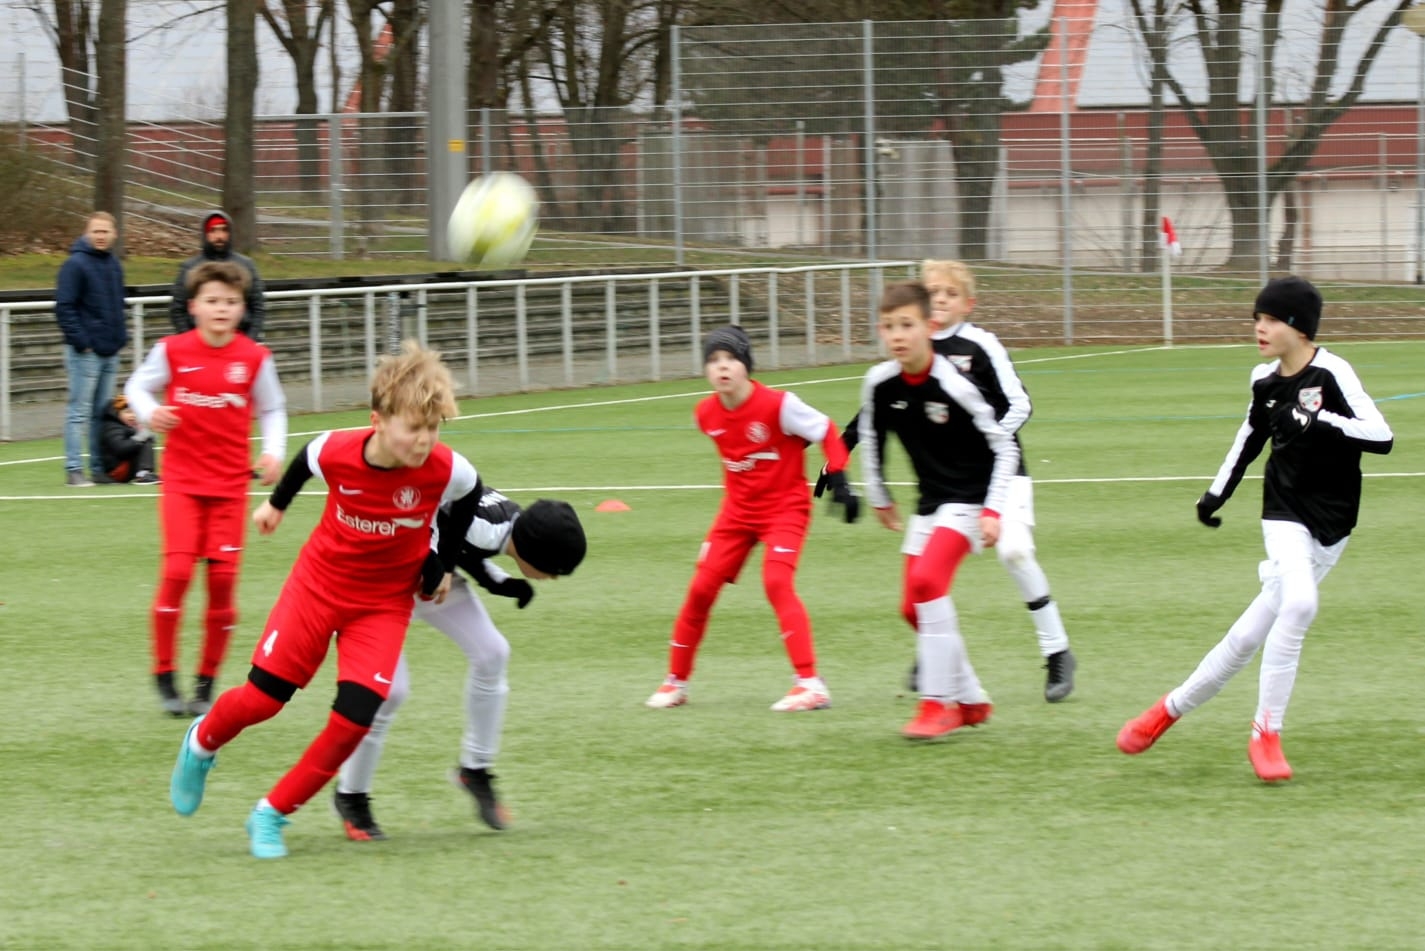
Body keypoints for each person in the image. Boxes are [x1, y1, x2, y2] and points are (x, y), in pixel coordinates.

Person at [168, 340, 484, 860]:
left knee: (356, 717)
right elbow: (304, 461)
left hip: (383, 604)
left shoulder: (446, 468)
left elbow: (470, 496)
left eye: (433, 428)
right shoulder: (338, 450)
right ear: (377, 421)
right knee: (264, 700)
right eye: (414, 427)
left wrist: (444, 564)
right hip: (317, 588)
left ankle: (271, 814)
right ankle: (201, 743)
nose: (426, 440)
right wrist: (275, 506)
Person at [1117, 276, 1393, 782]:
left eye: (1270, 319)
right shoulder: (1263, 381)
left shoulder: (1333, 372)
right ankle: (1266, 733)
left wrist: (1316, 422)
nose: (1259, 328)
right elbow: (1248, 440)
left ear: (1299, 328)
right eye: (1256, 319)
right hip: (1283, 512)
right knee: (1300, 604)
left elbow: (1381, 436)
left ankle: (1166, 711)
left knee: (1246, 638)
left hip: (1334, 525)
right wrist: (1215, 494)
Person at [828, 260, 1076, 702]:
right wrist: (836, 463)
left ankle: (1057, 651)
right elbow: (871, 417)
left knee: (1015, 552)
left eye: (950, 293)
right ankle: (937, 655)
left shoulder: (980, 345)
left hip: (1001, 471)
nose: (941, 299)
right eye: (933, 292)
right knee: (926, 579)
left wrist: (984, 442)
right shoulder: (910, 352)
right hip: (948, 488)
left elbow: (1019, 404)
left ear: (968, 303)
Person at [333, 491, 588, 841]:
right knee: (390, 692)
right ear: (533, 550)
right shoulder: (490, 528)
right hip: (378, 582)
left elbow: (463, 544)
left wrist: (499, 581)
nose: (554, 578)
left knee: (492, 654)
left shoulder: (510, 524)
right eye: (554, 569)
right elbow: (448, 531)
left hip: (428, 578)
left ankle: (475, 769)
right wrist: (493, 580)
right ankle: (351, 794)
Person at [645, 325, 859, 713]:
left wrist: (839, 474)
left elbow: (826, 430)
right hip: (737, 514)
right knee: (700, 590)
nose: (722, 366)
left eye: (731, 358)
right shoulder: (705, 414)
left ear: (746, 365)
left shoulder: (780, 405)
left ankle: (811, 684)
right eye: (713, 360)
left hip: (785, 509)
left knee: (776, 581)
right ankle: (676, 681)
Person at [859, 281, 1020, 740]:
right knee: (912, 608)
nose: (898, 335)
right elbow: (871, 438)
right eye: (889, 326)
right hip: (929, 505)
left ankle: (937, 705)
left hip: (970, 500)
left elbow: (1005, 447)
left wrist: (993, 510)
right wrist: (879, 495)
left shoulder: (954, 384)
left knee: (928, 583)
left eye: (907, 325)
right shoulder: (879, 383)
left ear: (929, 327)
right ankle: (970, 699)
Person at [126, 261, 287, 717]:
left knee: (222, 580)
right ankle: (165, 675)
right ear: (194, 306)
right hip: (182, 484)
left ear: (242, 309)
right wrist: (150, 412)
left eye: (231, 302)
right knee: (178, 572)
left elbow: (273, 409)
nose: (221, 308)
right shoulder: (172, 350)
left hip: (229, 487)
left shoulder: (254, 358)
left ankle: (205, 683)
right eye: (212, 300)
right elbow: (136, 387)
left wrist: (273, 452)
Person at [55, 211, 128, 487]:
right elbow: (64, 307)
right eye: (96, 231)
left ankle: (98, 468)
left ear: (114, 234)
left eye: (105, 231)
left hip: (109, 350)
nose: (100, 236)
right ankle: (74, 469)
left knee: (102, 413)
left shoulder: (114, 265)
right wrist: (82, 343)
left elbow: (117, 305)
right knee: (79, 412)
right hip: (85, 354)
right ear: (87, 233)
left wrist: (119, 338)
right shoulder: (75, 264)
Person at [170, 211, 266, 341]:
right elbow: (178, 310)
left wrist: (248, 341)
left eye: (224, 230)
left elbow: (258, 307)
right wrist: (192, 341)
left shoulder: (246, 265)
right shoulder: (190, 268)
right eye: (213, 230)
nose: (219, 236)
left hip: (240, 339)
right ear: (205, 234)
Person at [94, 393, 159, 485]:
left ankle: (146, 473)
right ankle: (143, 474)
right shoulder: (112, 427)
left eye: (135, 412)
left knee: (145, 440)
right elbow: (120, 448)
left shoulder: (128, 426)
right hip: (117, 470)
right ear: (117, 413)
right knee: (144, 442)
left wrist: (147, 437)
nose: (133, 416)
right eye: (128, 412)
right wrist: (139, 439)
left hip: (123, 467)